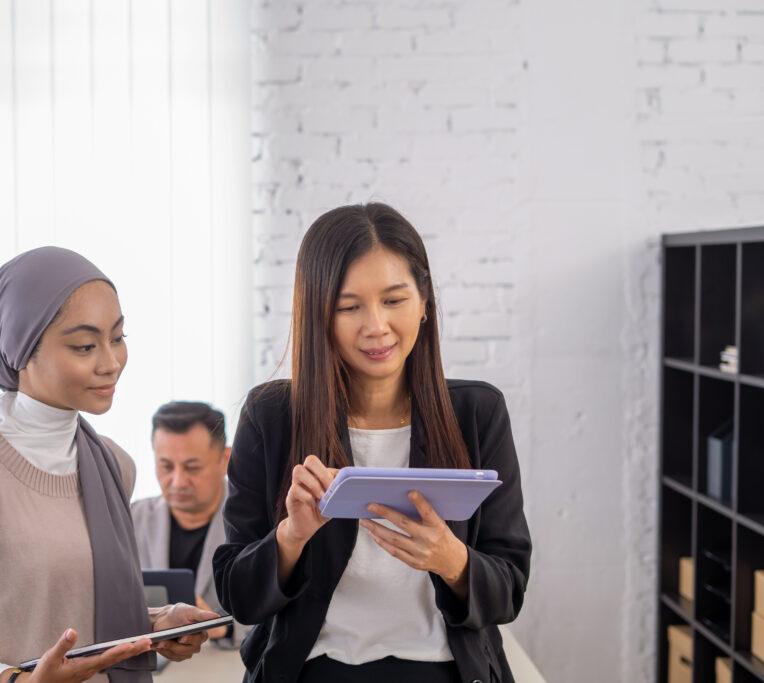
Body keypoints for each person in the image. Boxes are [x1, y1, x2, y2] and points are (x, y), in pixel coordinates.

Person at [212, 203, 532, 683]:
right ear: (318, 314)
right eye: (349, 306)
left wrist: (452, 561)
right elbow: (238, 598)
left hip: (446, 670)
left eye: (394, 300)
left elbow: (509, 592)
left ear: (424, 303)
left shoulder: (477, 413)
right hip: (314, 670)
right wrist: (291, 537)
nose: (376, 326)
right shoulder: (271, 417)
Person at [0, 247, 215, 683]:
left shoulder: (114, 465)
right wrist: (15, 681)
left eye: (118, 338)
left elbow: (67, 608)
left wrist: (153, 623)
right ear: (22, 350)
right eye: (84, 345)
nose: (111, 363)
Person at [130, 402, 247, 647]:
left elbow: (284, 612)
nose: (178, 481)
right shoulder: (131, 519)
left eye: (192, 467)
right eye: (166, 466)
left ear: (225, 459)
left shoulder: (255, 521)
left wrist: (223, 627)